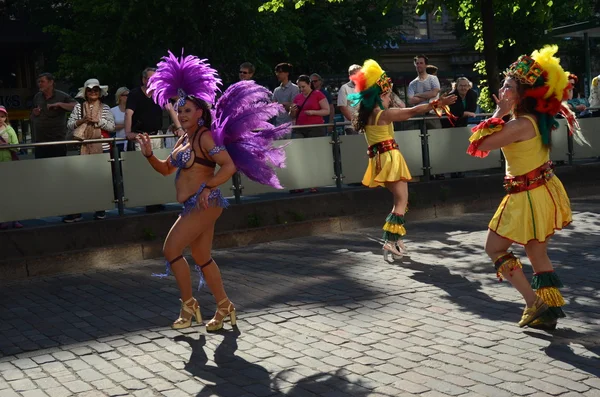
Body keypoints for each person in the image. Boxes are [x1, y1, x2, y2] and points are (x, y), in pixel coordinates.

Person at [142, 51, 290, 332]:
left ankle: (189, 305)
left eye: (188, 111)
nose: (182, 114)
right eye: (179, 110)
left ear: (200, 112)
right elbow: (165, 170)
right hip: (193, 205)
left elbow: (228, 166)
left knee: (171, 249)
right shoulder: (184, 139)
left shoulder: (205, 137)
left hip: (205, 203)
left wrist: (206, 187)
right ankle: (225, 307)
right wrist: (149, 155)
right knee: (201, 257)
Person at [466, 45, 590, 330]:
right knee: (537, 253)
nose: (503, 90)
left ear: (523, 94)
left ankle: (534, 302)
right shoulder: (533, 120)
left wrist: (499, 110)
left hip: (527, 196)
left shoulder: (520, 124)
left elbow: (478, 144)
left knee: (494, 247)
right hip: (541, 190)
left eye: (508, 87)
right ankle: (549, 308)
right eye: (504, 85)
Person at [349, 60, 456, 260]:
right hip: (390, 159)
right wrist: (436, 103)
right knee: (401, 202)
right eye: (388, 94)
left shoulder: (366, 116)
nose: (390, 98)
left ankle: (396, 240)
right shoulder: (383, 114)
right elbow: (413, 111)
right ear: (381, 95)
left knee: (399, 201)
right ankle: (391, 241)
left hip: (378, 160)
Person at [66, 78, 116, 222]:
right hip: (83, 146)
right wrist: (82, 120)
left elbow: (112, 127)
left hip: (102, 148)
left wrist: (98, 121)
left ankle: (100, 209)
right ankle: (79, 210)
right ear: (86, 93)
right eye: (90, 90)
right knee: (81, 180)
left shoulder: (105, 108)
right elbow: (69, 125)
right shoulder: (78, 107)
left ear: (99, 92)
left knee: (101, 180)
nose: (93, 92)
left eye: (95, 90)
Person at [31, 73, 77, 159]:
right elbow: (33, 116)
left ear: (50, 82)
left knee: (59, 168)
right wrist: (34, 113)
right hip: (40, 142)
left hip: (57, 142)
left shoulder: (61, 96)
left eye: (42, 81)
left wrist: (60, 104)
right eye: (38, 82)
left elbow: (76, 106)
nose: (39, 84)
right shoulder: (37, 97)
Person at [0, 106, 23, 229]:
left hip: (9, 165)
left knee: (12, 193)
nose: (0, 118)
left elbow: (17, 147)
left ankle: (15, 219)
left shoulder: (9, 130)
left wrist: (6, 145)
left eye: (2, 116)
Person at [408, 55, 442, 130]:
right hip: (418, 115)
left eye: (421, 63)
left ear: (426, 65)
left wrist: (418, 95)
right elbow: (411, 101)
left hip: (432, 114)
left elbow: (434, 93)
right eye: (417, 63)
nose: (419, 65)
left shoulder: (433, 78)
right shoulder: (412, 83)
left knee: (436, 137)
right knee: (418, 138)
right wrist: (427, 95)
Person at [272, 62, 299, 127]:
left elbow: (294, 106)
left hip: (290, 125)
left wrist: (282, 105)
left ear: (287, 73)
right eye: (276, 72)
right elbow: (273, 107)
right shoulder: (276, 90)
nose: (277, 74)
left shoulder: (295, 88)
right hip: (278, 125)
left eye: (280, 72)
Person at [337, 64, 361, 135]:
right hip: (351, 126)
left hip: (366, 125)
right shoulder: (344, 88)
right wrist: (355, 122)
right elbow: (342, 107)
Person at [110, 87, 130, 152]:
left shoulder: (133, 110)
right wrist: (126, 124)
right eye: (126, 95)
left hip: (131, 141)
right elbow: (111, 128)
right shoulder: (113, 111)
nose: (128, 97)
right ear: (120, 96)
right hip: (119, 142)